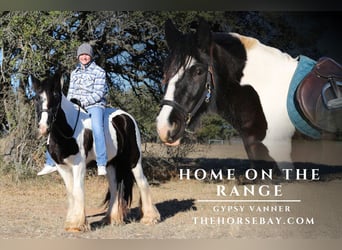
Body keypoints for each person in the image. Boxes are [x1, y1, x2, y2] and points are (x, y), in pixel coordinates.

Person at [37, 43, 108, 176]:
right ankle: (50, 162)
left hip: (95, 105)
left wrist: (84, 102)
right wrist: (70, 104)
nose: (84, 57)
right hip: (77, 105)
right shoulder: (74, 73)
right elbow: (71, 92)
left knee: (97, 128)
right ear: (78, 57)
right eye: (82, 55)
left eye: (87, 54)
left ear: (91, 56)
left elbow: (99, 93)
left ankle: (101, 162)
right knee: (56, 124)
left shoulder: (99, 72)